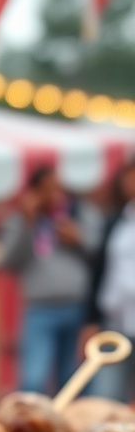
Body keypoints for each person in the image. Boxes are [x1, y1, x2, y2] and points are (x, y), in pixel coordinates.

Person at [2, 165, 100, 394]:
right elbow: (9, 262)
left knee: (73, 378)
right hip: (40, 310)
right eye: (46, 190)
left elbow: (102, 255)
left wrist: (79, 239)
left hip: (77, 308)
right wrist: (27, 225)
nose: (54, 196)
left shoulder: (79, 215)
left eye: (58, 190)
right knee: (33, 379)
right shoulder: (20, 222)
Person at [86, 159, 135, 403]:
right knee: (107, 397)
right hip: (115, 322)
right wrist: (91, 319)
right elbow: (99, 272)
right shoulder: (115, 221)